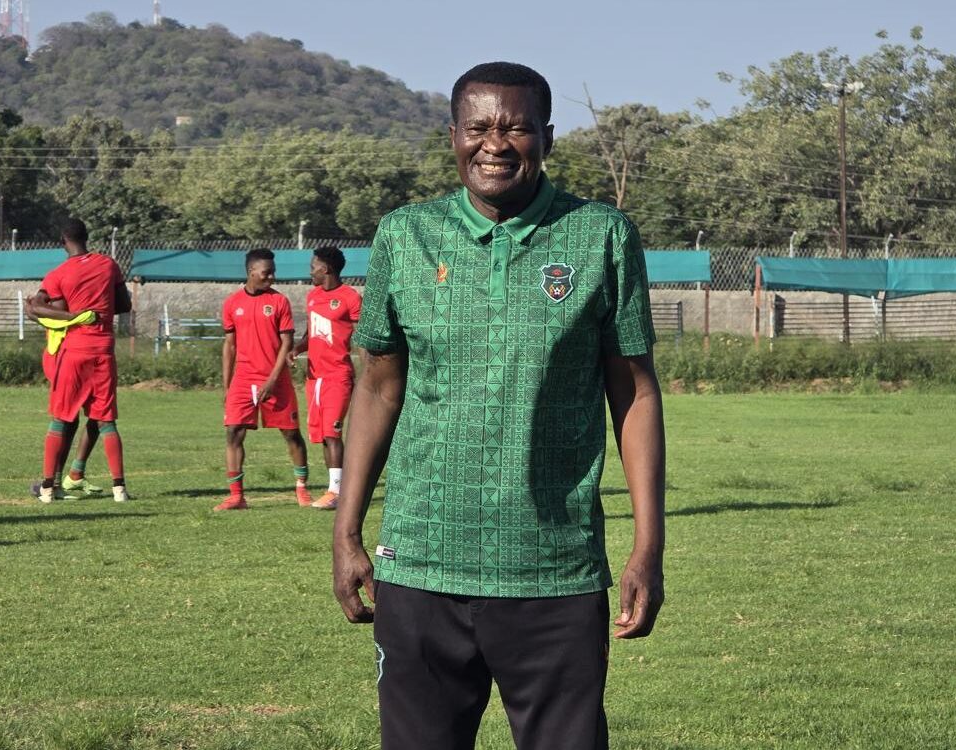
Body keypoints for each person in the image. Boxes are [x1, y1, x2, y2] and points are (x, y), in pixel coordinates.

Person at [332, 62, 666, 750]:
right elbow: (377, 386)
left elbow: (633, 391)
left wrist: (647, 547)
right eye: (479, 126)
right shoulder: (405, 235)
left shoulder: (601, 235)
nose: (496, 143)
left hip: (554, 572)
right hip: (420, 566)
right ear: (452, 134)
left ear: (546, 136)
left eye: (516, 127)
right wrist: (347, 531)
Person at [24, 219, 132, 504]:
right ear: (87, 236)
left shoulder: (58, 274)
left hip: (72, 351)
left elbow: (36, 307)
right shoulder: (109, 265)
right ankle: (119, 489)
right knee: (105, 418)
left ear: (62, 240)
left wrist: (66, 315)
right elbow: (125, 305)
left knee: (61, 418)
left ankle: (48, 487)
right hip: (103, 349)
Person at [215, 248, 312, 511]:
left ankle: (302, 489)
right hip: (243, 380)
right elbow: (229, 346)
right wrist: (227, 386)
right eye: (266, 272)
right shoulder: (232, 303)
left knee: (291, 435)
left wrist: (272, 379)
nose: (271, 277)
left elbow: (286, 343)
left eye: (273, 272)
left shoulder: (279, 302)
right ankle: (236, 496)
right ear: (251, 272)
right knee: (234, 432)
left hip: (276, 379)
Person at [290, 246, 362, 510]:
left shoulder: (350, 297)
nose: (310, 271)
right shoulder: (312, 297)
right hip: (314, 378)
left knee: (333, 433)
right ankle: (332, 487)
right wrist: (297, 349)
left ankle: (337, 491)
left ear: (326, 269)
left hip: (337, 376)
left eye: (313, 267)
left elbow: (361, 337)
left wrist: (367, 372)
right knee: (322, 435)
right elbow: (312, 331)